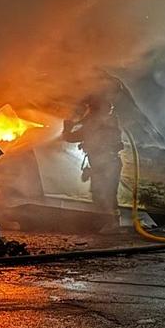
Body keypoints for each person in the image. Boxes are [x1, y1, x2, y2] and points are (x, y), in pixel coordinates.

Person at [63, 93, 124, 229]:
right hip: (107, 164)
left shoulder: (95, 125)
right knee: (104, 194)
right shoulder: (108, 123)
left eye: (90, 109)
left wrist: (67, 127)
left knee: (104, 194)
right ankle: (109, 223)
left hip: (105, 165)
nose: (87, 112)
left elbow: (70, 137)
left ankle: (111, 224)